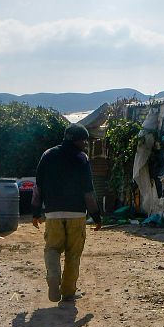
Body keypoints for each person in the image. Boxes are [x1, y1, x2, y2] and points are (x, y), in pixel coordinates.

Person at [32, 125, 102, 303]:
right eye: (83, 140)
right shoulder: (81, 158)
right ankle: (68, 292)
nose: (85, 143)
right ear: (75, 139)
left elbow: (38, 187)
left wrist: (35, 212)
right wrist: (96, 216)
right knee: (73, 254)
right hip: (77, 214)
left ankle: (54, 275)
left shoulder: (47, 155)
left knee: (52, 248)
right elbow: (88, 192)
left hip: (53, 213)